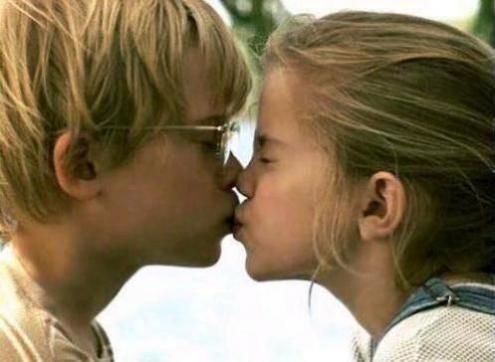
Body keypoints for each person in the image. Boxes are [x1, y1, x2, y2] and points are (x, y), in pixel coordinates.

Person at [234, 11, 495, 361]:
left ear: (378, 204)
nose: (242, 180)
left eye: (266, 158)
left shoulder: (429, 349)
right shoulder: (409, 331)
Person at [0, 0, 251, 360]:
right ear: (83, 165)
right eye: (212, 141)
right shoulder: (23, 349)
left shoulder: (67, 332)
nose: (236, 172)